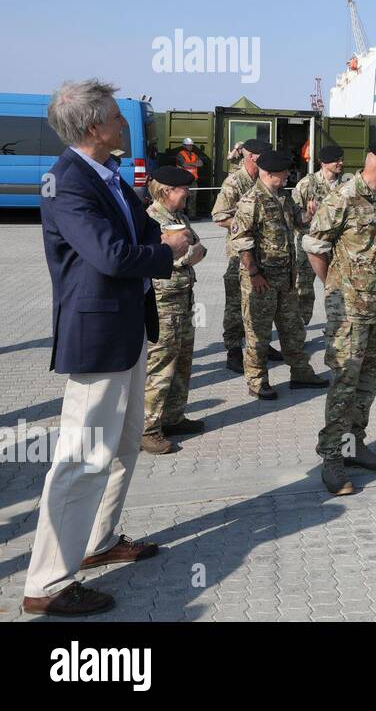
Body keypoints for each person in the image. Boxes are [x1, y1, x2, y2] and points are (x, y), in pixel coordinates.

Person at [23, 79, 191, 617]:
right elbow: (114, 256)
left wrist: (167, 243)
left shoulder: (108, 175)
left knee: (120, 448)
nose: (125, 125)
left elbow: (142, 232)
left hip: (128, 332)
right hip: (97, 339)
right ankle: (47, 584)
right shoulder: (67, 182)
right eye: (118, 118)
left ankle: (100, 541)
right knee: (81, 458)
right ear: (95, 126)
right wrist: (168, 250)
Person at [302, 140, 376, 494]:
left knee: (369, 379)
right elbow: (315, 245)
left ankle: (352, 444)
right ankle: (331, 456)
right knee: (345, 382)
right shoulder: (343, 197)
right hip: (348, 310)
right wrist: (335, 285)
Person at [228, 150, 329, 399]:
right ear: (269, 173)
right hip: (261, 281)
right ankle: (257, 380)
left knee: (292, 329)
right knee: (258, 334)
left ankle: (301, 373)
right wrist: (253, 273)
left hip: (285, 279)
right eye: (283, 172)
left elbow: (299, 221)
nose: (287, 176)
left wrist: (310, 214)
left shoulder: (283, 197)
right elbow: (241, 239)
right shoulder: (252, 200)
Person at [140, 167, 209, 455]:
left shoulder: (178, 217)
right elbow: (160, 257)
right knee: (160, 364)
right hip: (163, 301)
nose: (188, 194)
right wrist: (186, 257)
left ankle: (173, 417)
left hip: (184, 298)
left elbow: (198, 248)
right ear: (168, 191)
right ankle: (147, 429)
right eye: (184, 189)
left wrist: (190, 254)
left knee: (182, 360)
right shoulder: (151, 219)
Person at [213, 138, 281, 372]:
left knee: (263, 303)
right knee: (235, 305)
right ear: (251, 157)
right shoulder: (234, 182)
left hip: (266, 254)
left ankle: (261, 344)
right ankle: (233, 350)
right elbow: (219, 216)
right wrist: (248, 223)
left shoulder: (264, 180)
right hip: (239, 255)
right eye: (263, 155)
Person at [291, 144, 349, 326]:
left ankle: (336, 326)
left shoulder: (346, 184)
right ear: (324, 163)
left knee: (336, 286)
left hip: (337, 244)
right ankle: (300, 329)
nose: (341, 163)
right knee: (303, 288)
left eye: (341, 159)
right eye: (336, 160)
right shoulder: (307, 184)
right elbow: (293, 217)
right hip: (310, 246)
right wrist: (309, 214)